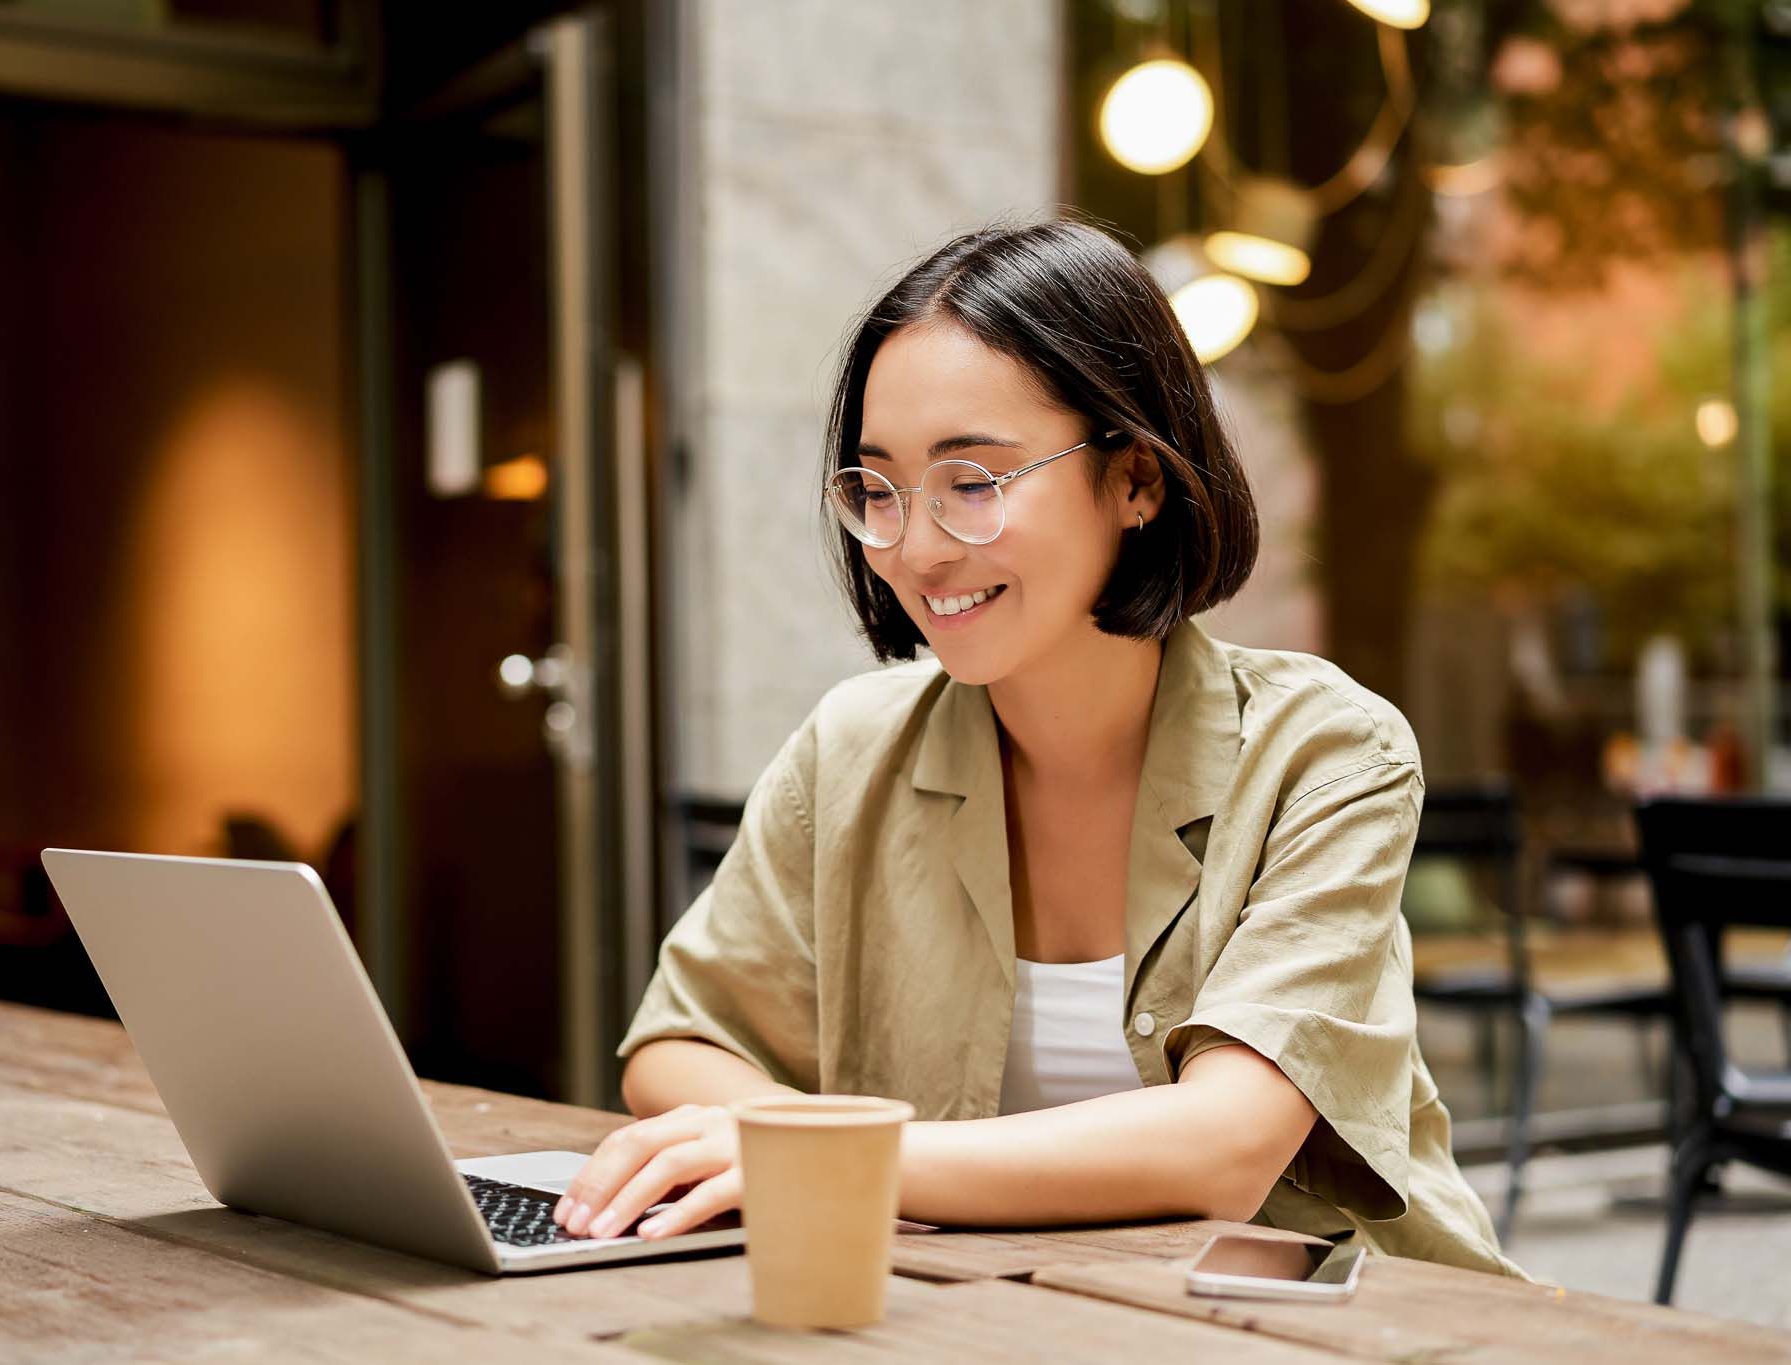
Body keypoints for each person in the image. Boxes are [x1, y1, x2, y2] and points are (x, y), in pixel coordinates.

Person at [553, 219, 1516, 1275]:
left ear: (1136, 480)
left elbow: (1223, 1146)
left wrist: (823, 1156)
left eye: (971, 482)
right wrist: (795, 1149)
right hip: (993, 1324)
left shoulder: (1323, 752)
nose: (914, 548)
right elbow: (678, 1045)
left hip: (1342, 1333)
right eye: (877, 490)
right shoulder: (851, 747)